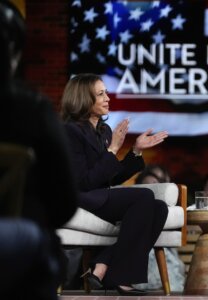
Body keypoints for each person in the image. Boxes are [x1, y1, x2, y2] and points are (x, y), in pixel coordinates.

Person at [60, 73, 169, 295]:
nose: (107, 98)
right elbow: (84, 181)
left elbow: (111, 176)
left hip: (100, 195)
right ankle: (114, 273)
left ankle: (105, 268)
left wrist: (136, 151)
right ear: (83, 99)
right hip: (82, 196)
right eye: (100, 94)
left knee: (159, 208)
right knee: (144, 196)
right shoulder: (70, 131)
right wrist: (112, 150)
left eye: (106, 92)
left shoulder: (103, 130)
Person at [0, 1, 78, 299]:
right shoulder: (32, 109)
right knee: (38, 242)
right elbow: (65, 204)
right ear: (13, 53)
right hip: (13, 246)